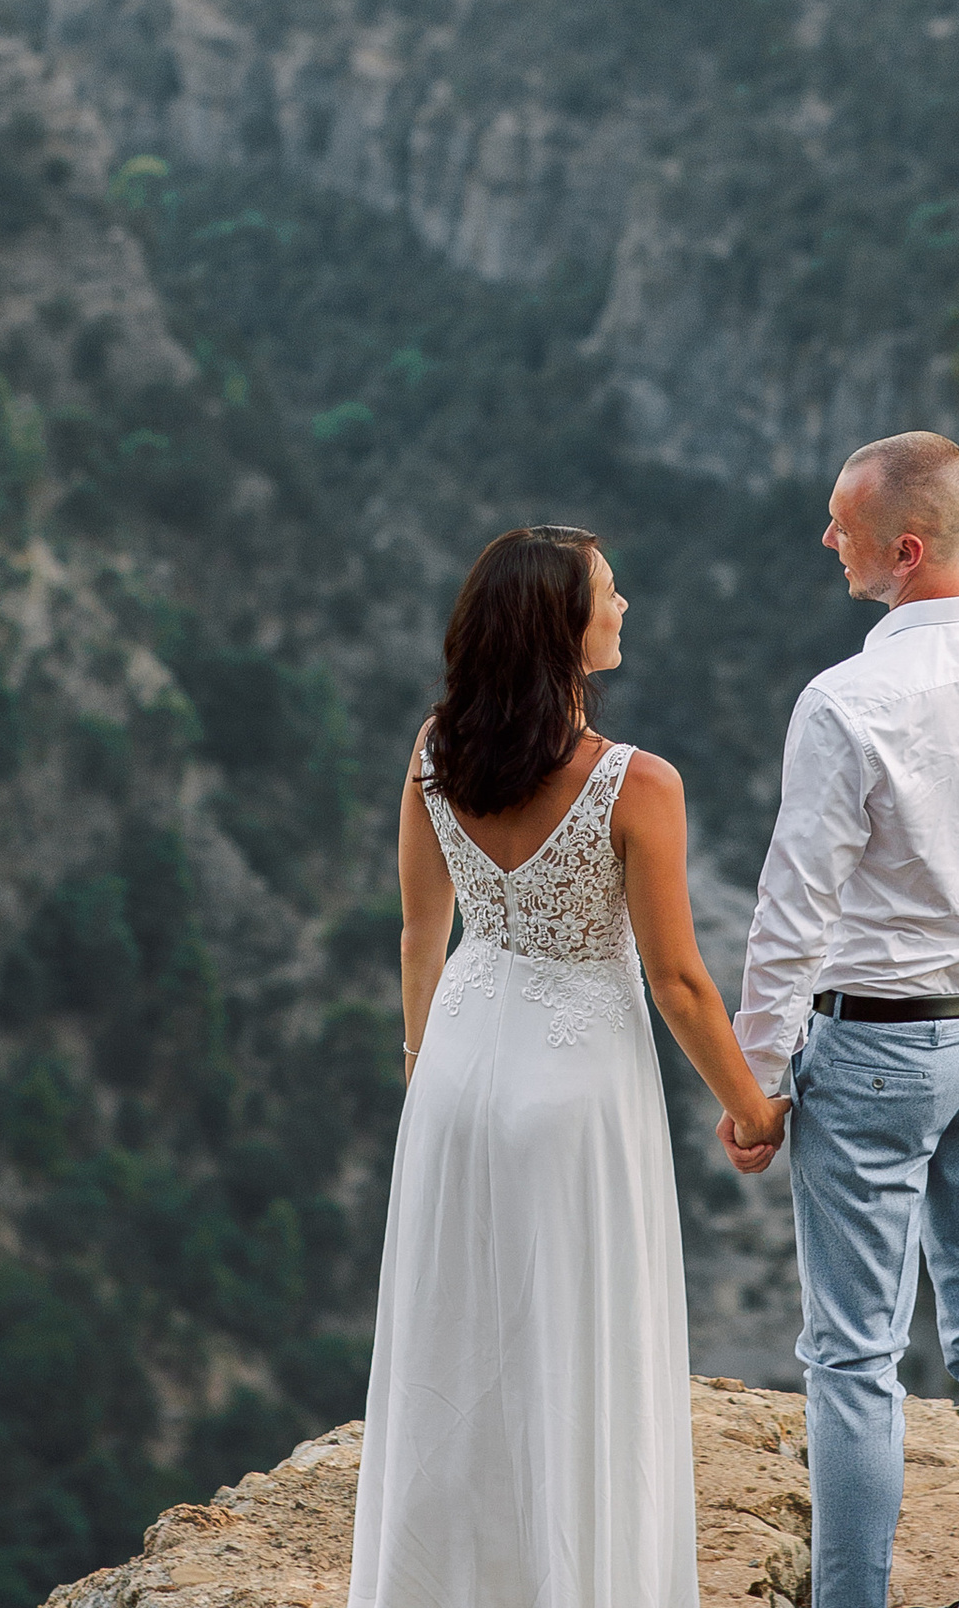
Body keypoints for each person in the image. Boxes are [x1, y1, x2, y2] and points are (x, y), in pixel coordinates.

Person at [349, 525, 785, 1608]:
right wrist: (752, 1107)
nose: (624, 603)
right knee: (574, 1342)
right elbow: (679, 980)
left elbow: (419, 932)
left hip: (456, 1063)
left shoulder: (435, 748)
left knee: (455, 1340)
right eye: (606, 591)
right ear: (562, 628)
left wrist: (420, 1063)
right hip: (577, 1077)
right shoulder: (638, 783)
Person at [723, 434, 959, 1608]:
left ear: (904, 547)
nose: (824, 538)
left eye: (840, 523)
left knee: (853, 1355)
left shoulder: (846, 699)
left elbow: (795, 907)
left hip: (878, 1043)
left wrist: (760, 1076)